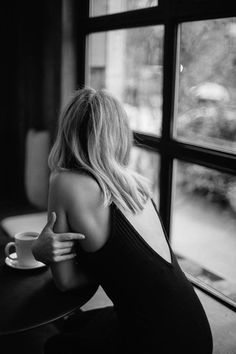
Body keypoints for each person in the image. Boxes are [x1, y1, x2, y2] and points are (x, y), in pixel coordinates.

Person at [32, 87, 213, 354]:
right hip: (194, 330)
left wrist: (40, 251)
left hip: (158, 343)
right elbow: (136, 266)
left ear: (67, 131)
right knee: (76, 323)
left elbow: (66, 282)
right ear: (118, 134)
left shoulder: (63, 181)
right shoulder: (135, 184)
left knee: (54, 344)